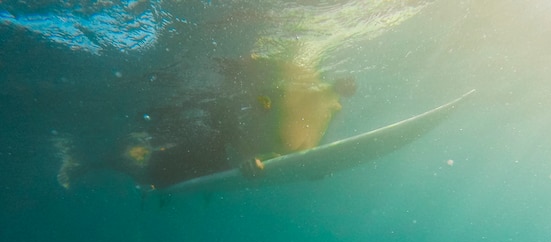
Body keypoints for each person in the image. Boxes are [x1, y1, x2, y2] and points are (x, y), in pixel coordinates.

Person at [57, 55, 356, 190]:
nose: (340, 98)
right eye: (341, 88)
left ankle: (110, 166)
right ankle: (86, 165)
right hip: (216, 147)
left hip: (223, 159)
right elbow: (252, 124)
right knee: (152, 170)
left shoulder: (325, 111)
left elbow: (299, 155)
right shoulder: (293, 90)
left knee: (158, 171)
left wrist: (304, 168)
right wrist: (250, 157)